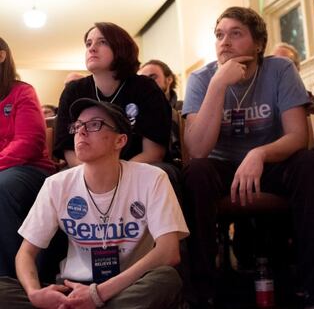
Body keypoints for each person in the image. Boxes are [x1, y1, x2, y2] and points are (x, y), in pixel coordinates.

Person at [182, 7, 314, 308]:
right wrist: (217, 84)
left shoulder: (280, 69)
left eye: (236, 33)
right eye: (220, 35)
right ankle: (202, 291)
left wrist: (259, 153)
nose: (224, 41)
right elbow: (197, 149)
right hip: (221, 167)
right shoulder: (202, 79)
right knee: (195, 172)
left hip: (271, 161)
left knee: (310, 163)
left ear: (259, 43)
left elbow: (297, 136)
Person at [0, 97, 189, 309]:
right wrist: (35, 293)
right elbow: (25, 253)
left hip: (126, 286)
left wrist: (97, 295)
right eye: (78, 126)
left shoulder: (152, 178)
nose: (81, 132)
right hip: (73, 288)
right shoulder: (56, 184)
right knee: (3, 291)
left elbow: (168, 252)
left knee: (166, 279)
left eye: (94, 125)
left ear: (120, 141)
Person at [54, 22, 171, 168]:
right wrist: (93, 174)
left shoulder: (145, 87)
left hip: (139, 168)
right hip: (84, 169)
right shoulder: (73, 91)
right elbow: (69, 149)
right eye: (88, 44)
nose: (92, 48)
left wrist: (115, 174)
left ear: (121, 48)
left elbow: (154, 152)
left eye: (102, 42)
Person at [0, 37, 55, 278]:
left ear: (1, 56)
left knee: (3, 185)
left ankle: (15, 280)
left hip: (29, 170)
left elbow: (29, 142)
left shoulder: (22, 91)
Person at [139, 59, 182, 165]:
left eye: (153, 77)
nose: (147, 83)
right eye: (142, 79)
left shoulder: (184, 108)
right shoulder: (135, 113)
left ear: (169, 79)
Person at [273, 42, 314, 114]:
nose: (278, 71)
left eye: (284, 65)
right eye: (274, 64)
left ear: (296, 69)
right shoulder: (263, 105)